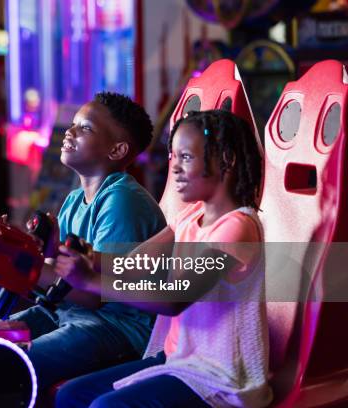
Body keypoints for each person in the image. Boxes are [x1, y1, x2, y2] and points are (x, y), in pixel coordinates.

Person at [55, 109, 272, 407]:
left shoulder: (238, 228)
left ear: (227, 161)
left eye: (186, 157)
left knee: (107, 406)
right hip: (179, 360)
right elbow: (133, 264)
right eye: (173, 157)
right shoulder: (190, 217)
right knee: (72, 395)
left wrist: (92, 281)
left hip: (220, 377)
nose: (175, 169)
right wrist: (79, 256)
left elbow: (174, 299)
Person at [9, 92, 166, 391]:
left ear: (118, 150)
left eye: (86, 128)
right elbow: (62, 272)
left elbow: (93, 293)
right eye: (73, 124)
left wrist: (22, 265)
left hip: (117, 327)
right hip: (72, 313)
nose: (69, 132)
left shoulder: (121, 200)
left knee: (17, 364)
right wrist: (36, 252)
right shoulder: (74, 200)